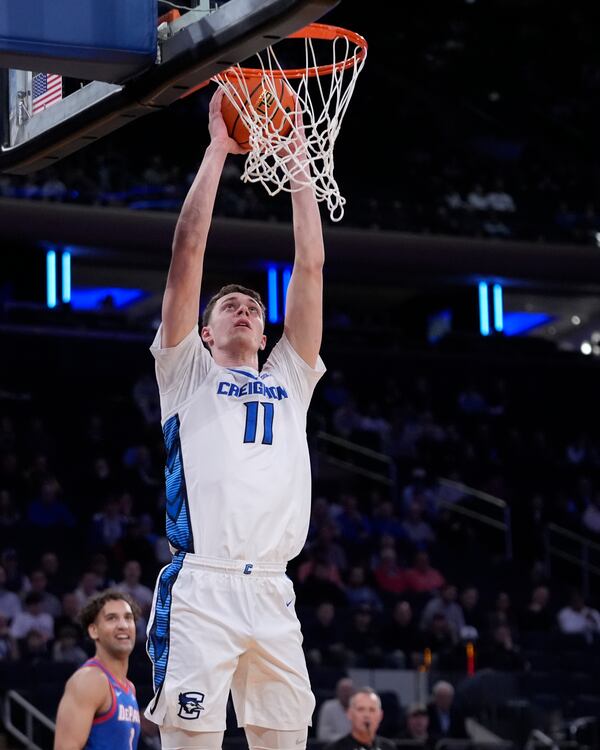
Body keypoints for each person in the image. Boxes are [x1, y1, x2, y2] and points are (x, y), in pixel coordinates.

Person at [145, 85, 326, 750]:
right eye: (230, 305)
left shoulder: (289, 376)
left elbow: (310, 267)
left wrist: (300, 161)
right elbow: (187, 252)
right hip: (204, 587)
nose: (246, 308)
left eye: (254, 304)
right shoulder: (186, 371)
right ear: (205, 330)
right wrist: (219, 150)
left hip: (274, 590)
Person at [54, 589, 141, 750]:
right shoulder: (90, 680)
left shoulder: (129, 688)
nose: (123, 625)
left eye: (128, 618)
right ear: (94, 630)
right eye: (112, 618)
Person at [324, 687, 396, 750]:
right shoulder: (335, 748)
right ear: (349, 713)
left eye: (372, 710)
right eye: (361, 709)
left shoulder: (388, 747)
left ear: (380, 715)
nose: (366, 715)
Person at [316, 677, 354, 743]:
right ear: (337, 692)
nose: (346, 694)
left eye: (349, 690)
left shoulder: (360, 708)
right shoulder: (328, 707)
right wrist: (346, 740)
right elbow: (322, 735)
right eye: (343, 690)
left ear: (354, 692)